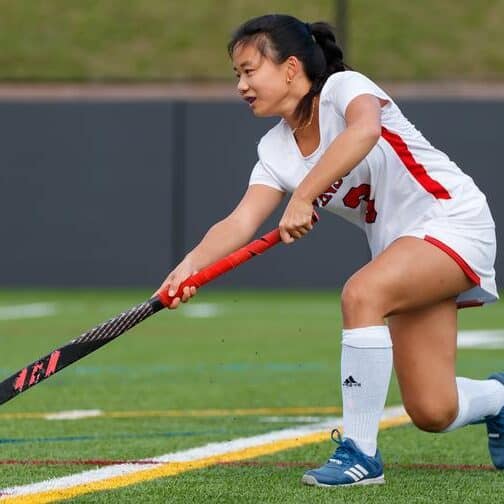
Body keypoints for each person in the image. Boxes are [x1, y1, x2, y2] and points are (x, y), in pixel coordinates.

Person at [156, 14, 504, 487]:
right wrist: (188, 268)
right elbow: (240, 221)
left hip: (453, 221)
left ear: (290, 68)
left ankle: (361, 454)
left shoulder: (343, 89)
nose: (241, 85)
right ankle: (500, 400)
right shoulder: (274, 151)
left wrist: (304, 196)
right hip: (403, 248)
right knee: (433, 409)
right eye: (236, 74)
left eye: (248, 70)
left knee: (362, 294)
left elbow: (365, 133)